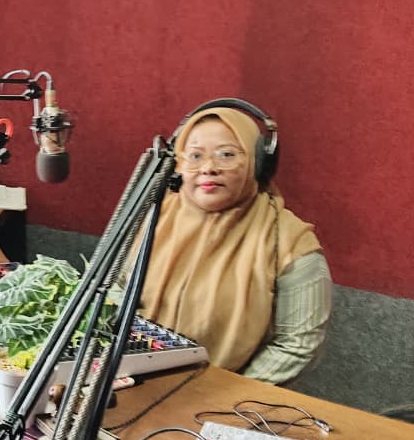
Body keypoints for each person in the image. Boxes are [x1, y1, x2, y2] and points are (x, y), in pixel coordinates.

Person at [136, 103, 332, 384]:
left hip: (225, 394)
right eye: (195, 156)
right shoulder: (154, 216)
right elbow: (116, 289)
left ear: (258, 163)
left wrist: (227, 394)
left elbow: (297, 344)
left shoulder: (291, 241)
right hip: (133, 381)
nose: (208, 168)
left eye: (226, 154)